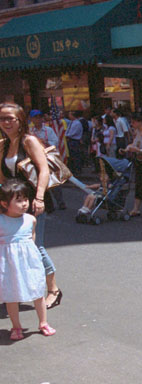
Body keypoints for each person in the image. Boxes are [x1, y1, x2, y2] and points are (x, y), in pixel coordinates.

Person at [0, 103, 63, 311]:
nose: (6, 122)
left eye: (11, 118)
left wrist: (39, 198)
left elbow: (43, 170)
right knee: (11, 246)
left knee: (35, 246)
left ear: (20, 120)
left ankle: (53, 289)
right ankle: (16, 290)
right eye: (2, 119)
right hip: (11, 204)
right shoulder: (3, 144)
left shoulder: (29, 141)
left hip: (31, 201)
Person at [0, 180, 55, 340]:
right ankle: (16, 326)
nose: (24, 203)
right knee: (11, 295)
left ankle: (43, 322)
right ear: (4, 203)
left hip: (29, 262)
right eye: (18, 200)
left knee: (37, 291)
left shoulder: (30, 219)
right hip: (9, 263)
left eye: (25, 199)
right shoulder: (2, 221)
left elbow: (32, 240)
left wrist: (35, 259)